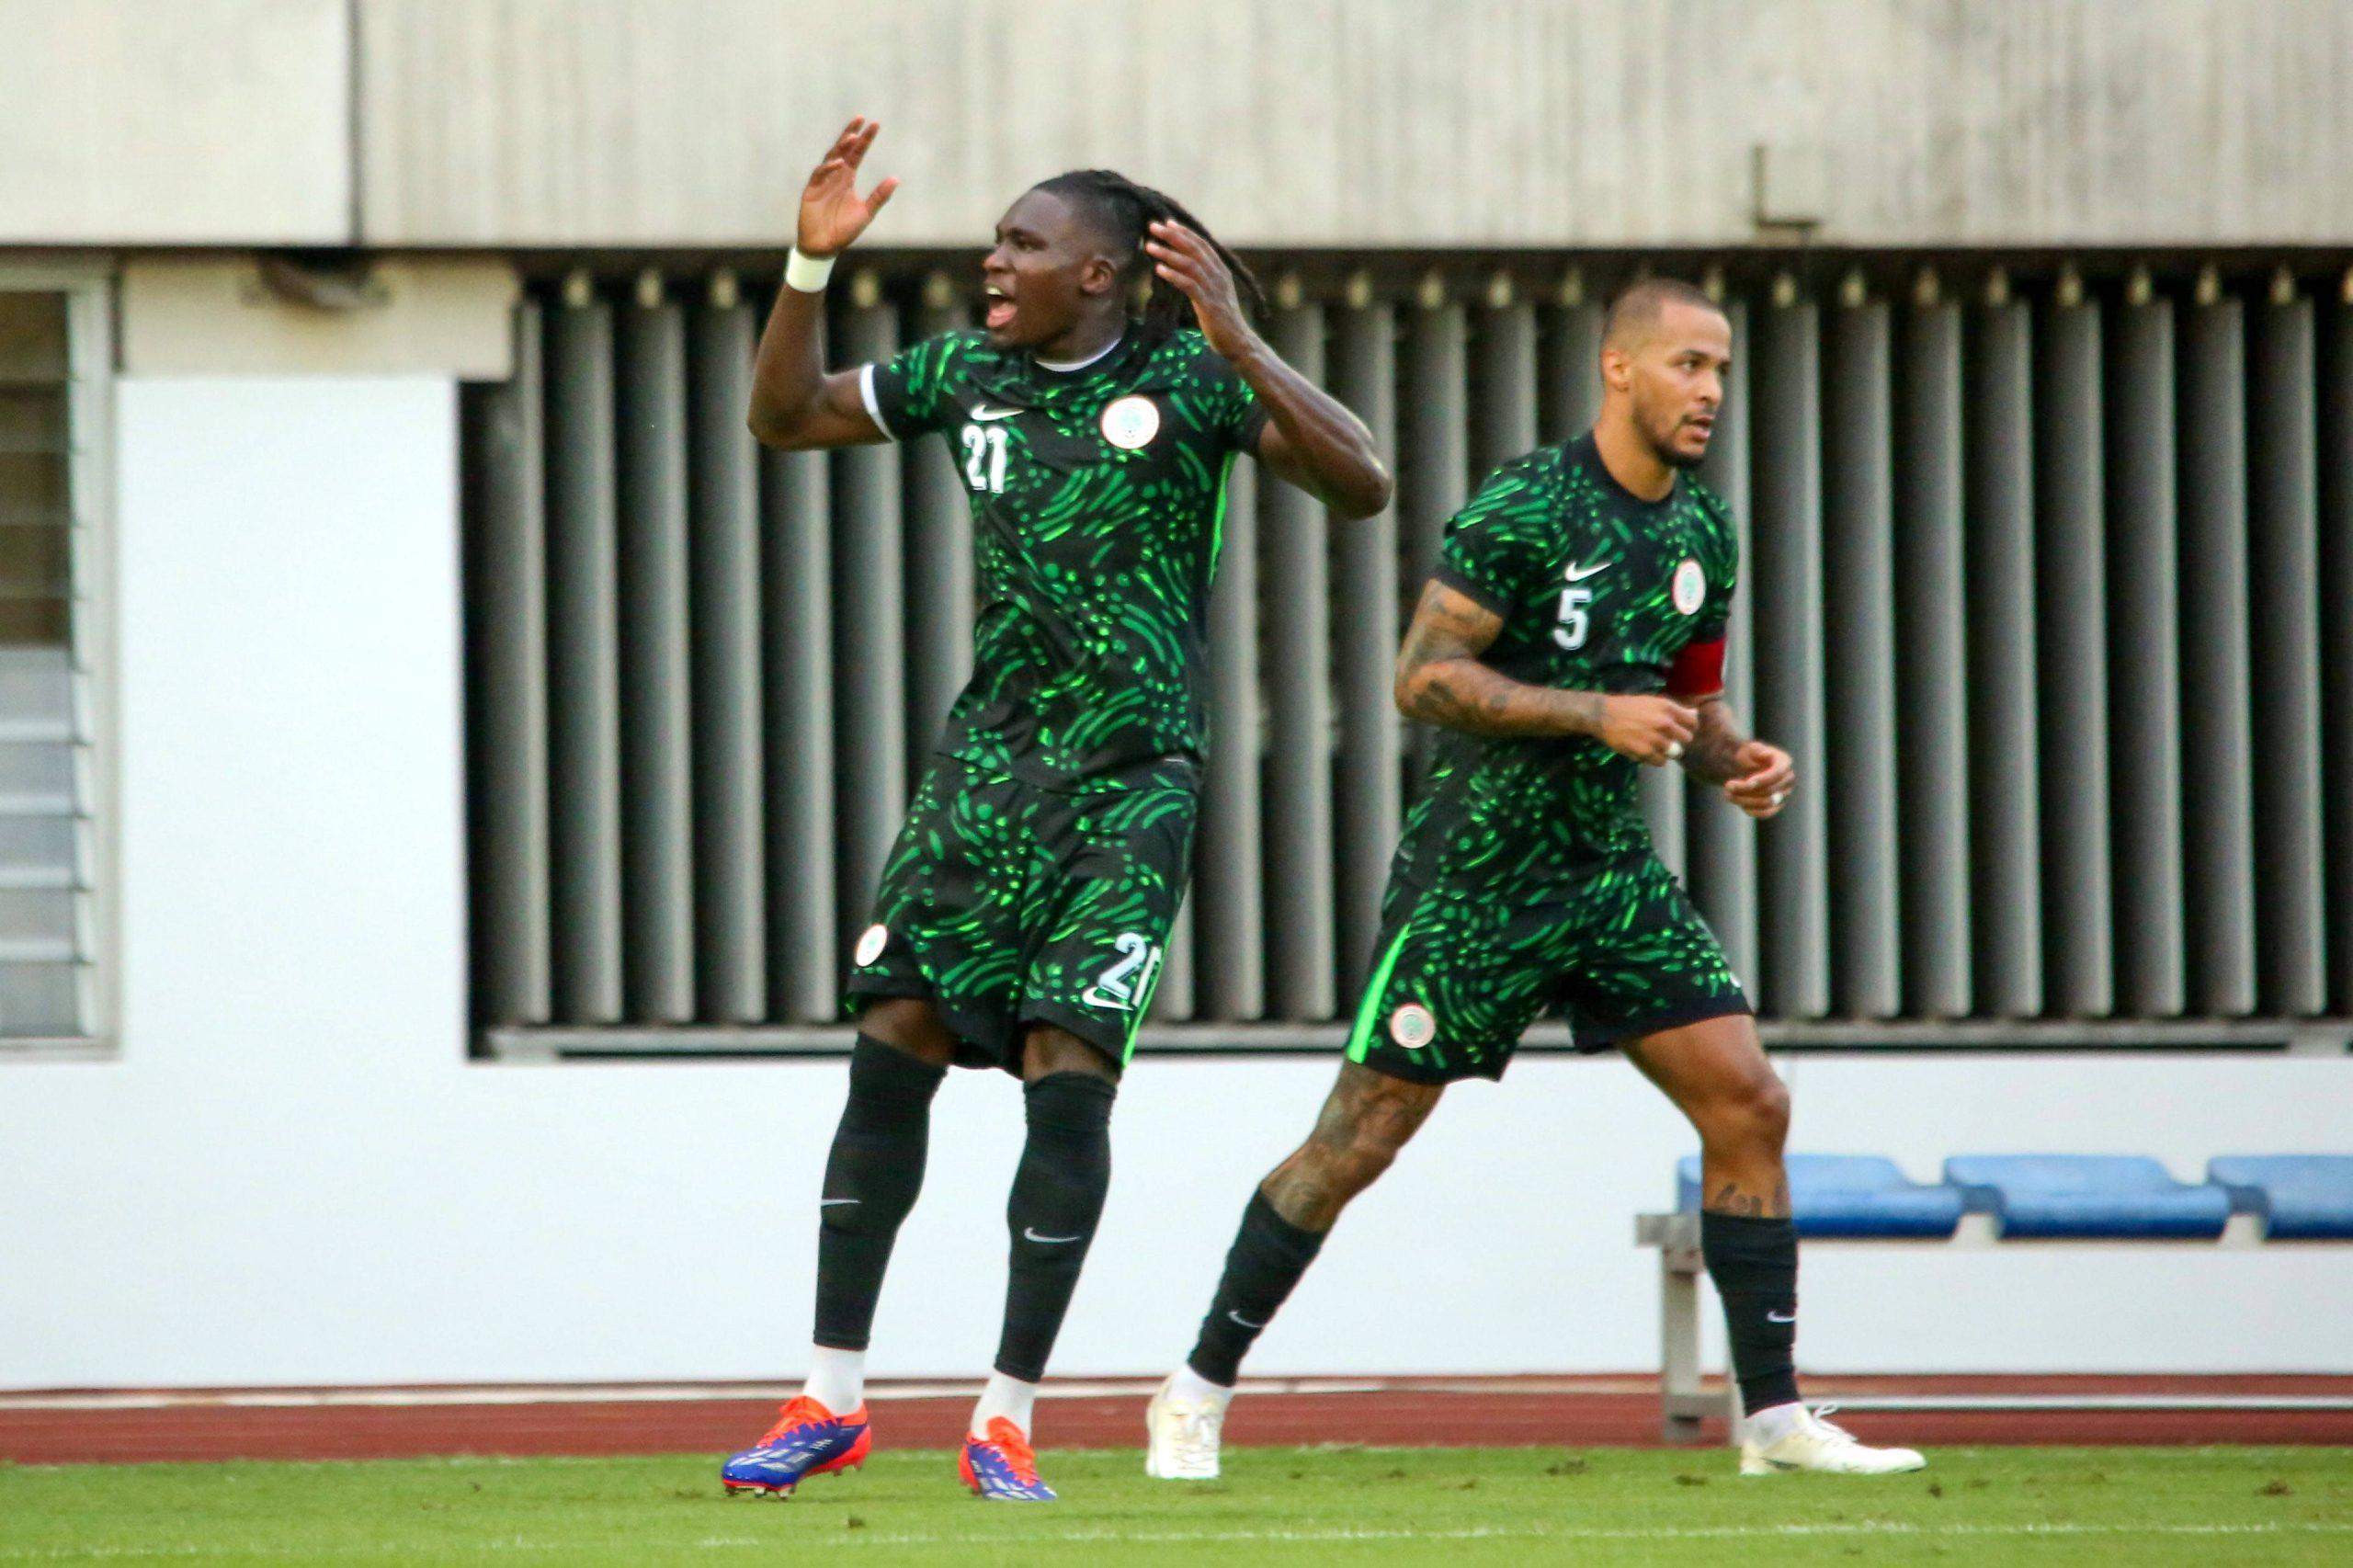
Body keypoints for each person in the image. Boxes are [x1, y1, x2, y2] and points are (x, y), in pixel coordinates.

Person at [1143, 278, 1924, 1482]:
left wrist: (1735, 761)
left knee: (1752, 1102)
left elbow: (1694, 701)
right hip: (1478, 877)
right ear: (1619, 369)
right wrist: (1589, 711)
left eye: (1720, 368)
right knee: (1358, 1138)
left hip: (1608, 872)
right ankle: (1195, 1386)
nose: (1710, 390)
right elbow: (1422, 676)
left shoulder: (1702, 530)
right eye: (1686, 365)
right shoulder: (1528, 501)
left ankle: (1773, 1416)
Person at [722, 118, 1391, 1503]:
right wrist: (805, 264)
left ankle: (1005, 1415)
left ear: (1098, 274)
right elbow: (782, 418)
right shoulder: (965, 374)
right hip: (990, 769)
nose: (993, 260)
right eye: (998, 239)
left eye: (1024, 243)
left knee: (1064, 1070)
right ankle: (828, 1395)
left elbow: (1364, 482)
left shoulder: (1189, 383)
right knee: (892, 1033)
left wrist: (1242, 342)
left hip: (1133, 783)